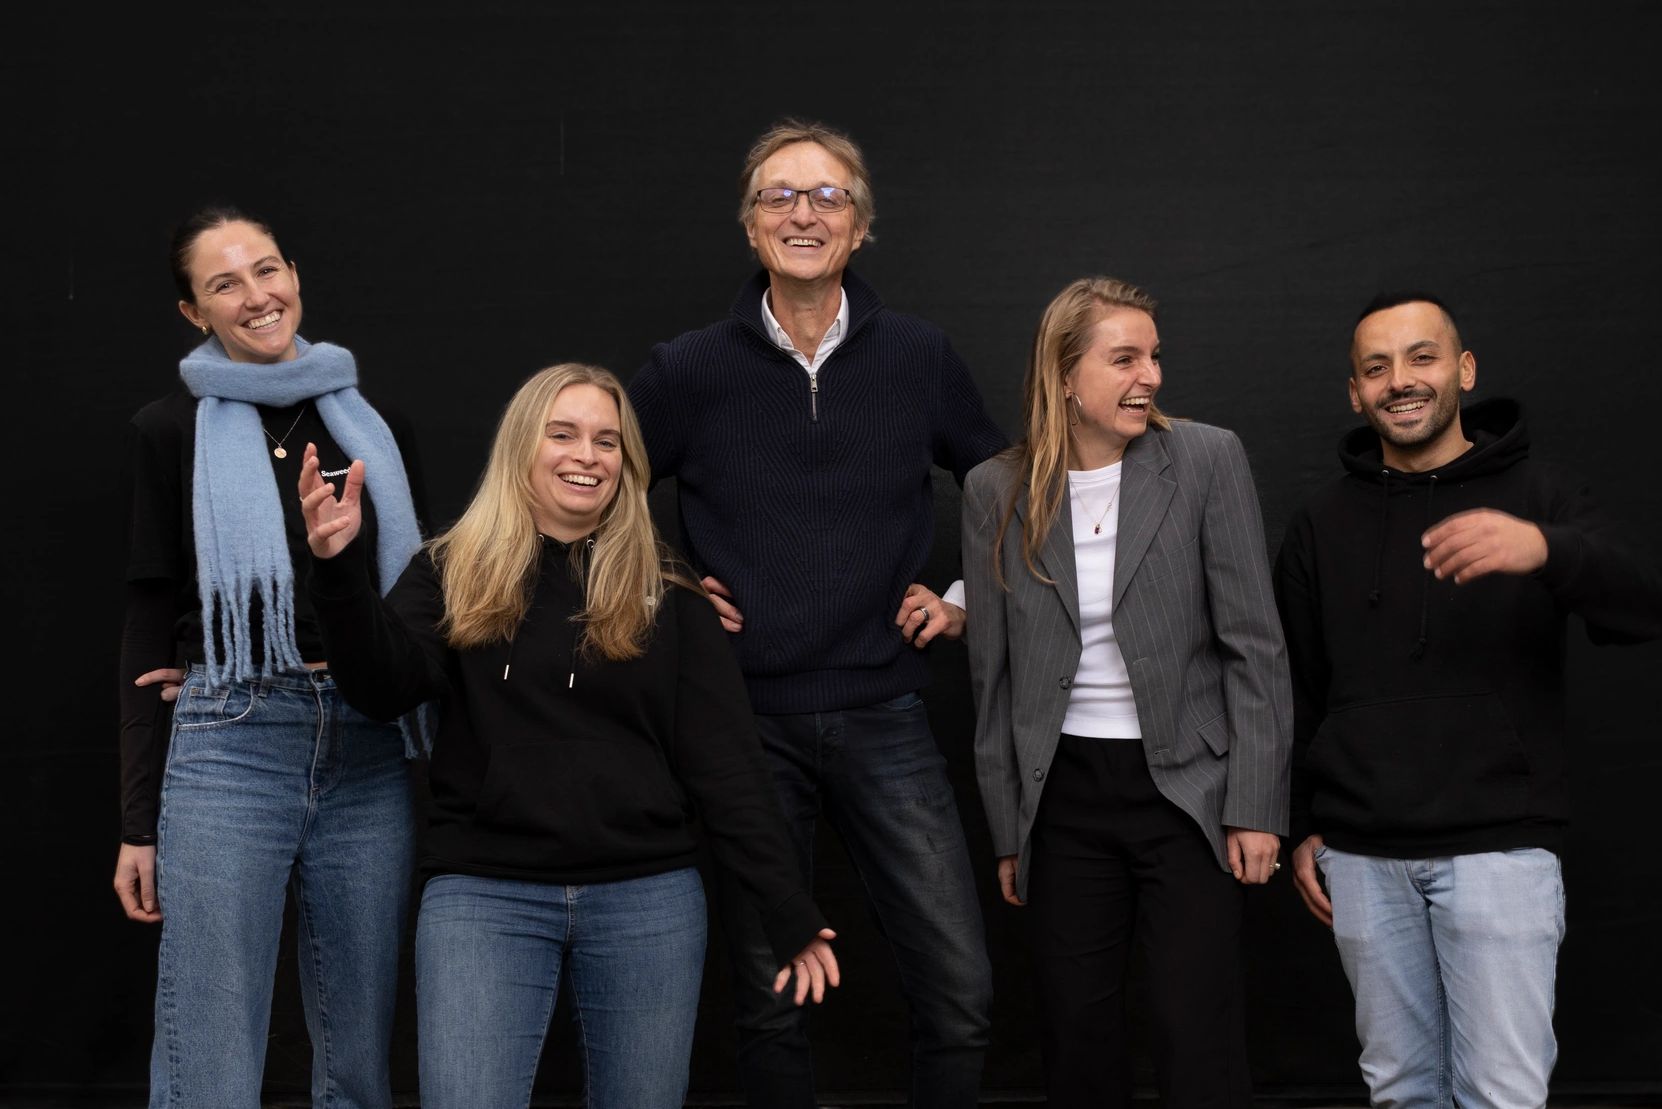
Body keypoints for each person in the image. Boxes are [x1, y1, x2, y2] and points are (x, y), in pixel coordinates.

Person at [301, 362, 838, 1109]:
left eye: (606, 441)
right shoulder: (451, 570)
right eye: (563, 434)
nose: (587, 455)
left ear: (627, 463)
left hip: (646, 900)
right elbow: (381, 688)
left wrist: (787, 906)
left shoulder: (669, 588)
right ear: (523, 446)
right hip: (484, 895)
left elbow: (727, 764)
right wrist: (337, 571)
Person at [626, 118, 1004, 1108]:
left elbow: (1008, 486)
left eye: (828, 195)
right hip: (744, 722)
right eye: (780, 195)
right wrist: (665, 584)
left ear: (860, 225)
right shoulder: (688, 368)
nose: (804, 212)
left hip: (887, 712)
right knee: (769, 1003)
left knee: (961, 993)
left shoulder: (919, 356)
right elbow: (589, 491)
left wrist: (963, 599)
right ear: (751, 224)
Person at [1275, 292, 1662, 1109]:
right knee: (1399, 1089)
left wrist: (1547, 549)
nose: (1400, 380)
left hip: (1500, 849)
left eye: (1422, 357)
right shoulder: (1320, 522)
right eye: (1377, 367)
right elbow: (1299, 687)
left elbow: (1639, 609)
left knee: (1501, 1093)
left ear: (1466, 369)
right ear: (1356, 391)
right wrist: (1303, 821)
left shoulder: (1539, 493)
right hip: (1361, 854)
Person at [113, 205, 426, 1109]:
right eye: (225, 284)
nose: (256, 296)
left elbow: (422, 600)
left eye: (267, 269)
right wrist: (138, 822)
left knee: (360, 1053)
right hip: (232, 736)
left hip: (369, 743)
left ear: (294, 275)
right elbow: (146, 620)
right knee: (210, 1048)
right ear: (194, 311)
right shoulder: (168, 429)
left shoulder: (377, 425)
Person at [963, 276, 1292, 1109]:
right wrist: (1010, 828)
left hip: (1188, 791)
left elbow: (1255, 644)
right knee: (1076, 1033)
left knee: (1195, 1028)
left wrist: (1256, 804)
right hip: (1062, 800)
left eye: (1154, 356)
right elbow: (992, 677)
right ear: (1064, 374)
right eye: (1124, 359)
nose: (1150, 375)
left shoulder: (1207, 458)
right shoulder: (995, 490)